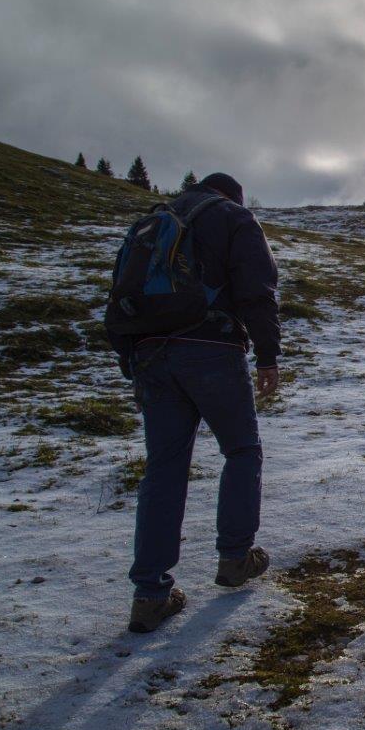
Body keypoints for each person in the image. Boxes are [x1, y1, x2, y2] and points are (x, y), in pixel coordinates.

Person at [107, 172, 281, 633]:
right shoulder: (232, 217)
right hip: (212, 349)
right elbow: (256, 289)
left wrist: (133, 361)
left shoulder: (152, 222)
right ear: (233, 195)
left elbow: (119, 295)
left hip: (150, 355)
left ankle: (149, 594)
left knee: (164, 467)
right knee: (241, 450)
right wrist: (267, 356)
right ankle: (235, 557)